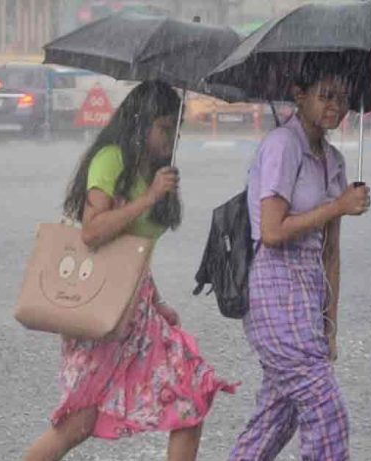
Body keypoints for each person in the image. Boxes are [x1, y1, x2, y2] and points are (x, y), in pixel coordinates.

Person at [23, 80, 237, 461]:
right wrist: (150, 196)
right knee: (79, 422)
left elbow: (134, 253)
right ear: (141, 123)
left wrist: (157, 302)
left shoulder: (157, 168)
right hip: (100, 310)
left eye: (176, 127)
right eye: (164, 127)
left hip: (138, 310)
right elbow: (93, 232)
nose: (171, 137)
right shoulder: (112, 160)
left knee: (190, 398)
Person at [228, 56, 371, 461]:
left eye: (343, 98)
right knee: (327, 411)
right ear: (299, 95)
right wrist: (338, 206)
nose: (336, 107)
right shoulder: (282, 146)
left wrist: (330, 324)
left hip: (308, 296)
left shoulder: (335, 161)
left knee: (277, 418)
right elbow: (272, 232)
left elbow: (330, 252)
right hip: (273, 291)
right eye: (326, 96)